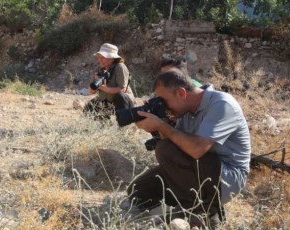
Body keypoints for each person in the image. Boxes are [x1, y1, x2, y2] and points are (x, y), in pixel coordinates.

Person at [127, 69, 251, 229]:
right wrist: (156, 126)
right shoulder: (184, 109)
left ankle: (204, 211)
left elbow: (196, 149)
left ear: (181, 93)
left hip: (227, 177)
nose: (164, 105)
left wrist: (161, 125)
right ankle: (185, 205)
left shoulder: (222, 104)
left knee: (164, 149)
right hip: (198, 169)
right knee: (138, 191)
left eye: (164, 101)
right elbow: (176, 144)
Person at [83, 43, 134, 120]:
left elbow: (122, 90)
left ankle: (124, 123)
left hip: (123, 102)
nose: (100, 59)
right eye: (99, 57)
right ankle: (104, 124)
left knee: (121, 97)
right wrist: (96, 84)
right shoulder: (99, 69)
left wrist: (105, 88)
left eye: (103, 57)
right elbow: (91, 92)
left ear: (112, 58)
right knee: (89, 108)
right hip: (107, 101)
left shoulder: (120, 67)